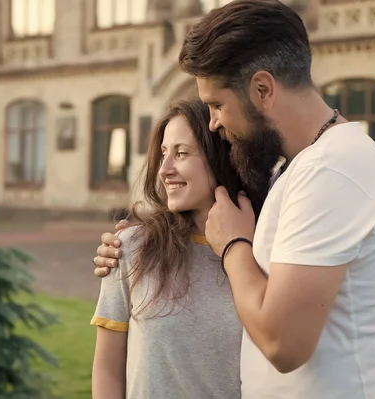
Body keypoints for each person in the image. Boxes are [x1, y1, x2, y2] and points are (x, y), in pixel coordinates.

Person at [93, 1, 375, 398]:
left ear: (262, 89)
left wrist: (232, 245)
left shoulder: (329, 170)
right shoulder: (299, 168)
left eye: (217, 105)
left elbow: (282, 343)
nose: (214, 122)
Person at [90, 98, 268, 399]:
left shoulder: (264, 251)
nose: (164, 170)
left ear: (221, 158)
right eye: (163, 154)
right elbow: (108, 368)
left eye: (181, 154)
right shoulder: (130, 248)